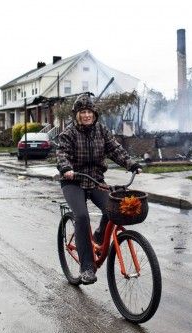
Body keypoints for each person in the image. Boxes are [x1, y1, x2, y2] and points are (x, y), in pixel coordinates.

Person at [56, 93, 142, 284]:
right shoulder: (68, 133)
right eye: (82, 112)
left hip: (95, 180)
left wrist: (131, 164)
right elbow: (61, 154)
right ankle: (86, 267)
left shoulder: (102, 131)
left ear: (94, 114)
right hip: (73, 181)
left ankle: (98, 236)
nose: (86, 115)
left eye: (89, 112)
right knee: (82, 216)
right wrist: (66, 168)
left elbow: (115, 150)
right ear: (77, 115)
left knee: (113, 209)